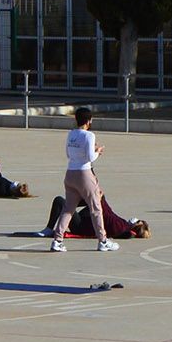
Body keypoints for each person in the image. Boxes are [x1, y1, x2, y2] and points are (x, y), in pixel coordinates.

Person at [48, 107, 116, 252]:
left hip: (70, 173)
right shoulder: (89, 135)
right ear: (89, 121)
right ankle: (103, 240)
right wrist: (98, 151)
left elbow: (68, 153)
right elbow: (90, 158)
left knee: (68, 209)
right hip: (84, 174)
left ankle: (58, 240)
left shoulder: (71, 134)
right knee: (96, 207)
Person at [40, 195, 150, 240]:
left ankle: (49, 229)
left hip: (81, 226)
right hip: (88, 221)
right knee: (93, 200)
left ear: (137, 224)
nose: (134, 219)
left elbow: (108, 216)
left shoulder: (122, 226)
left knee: (59, 200)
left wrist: (101, 200)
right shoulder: (123, 225)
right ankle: (71, 204)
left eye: (137, 220)